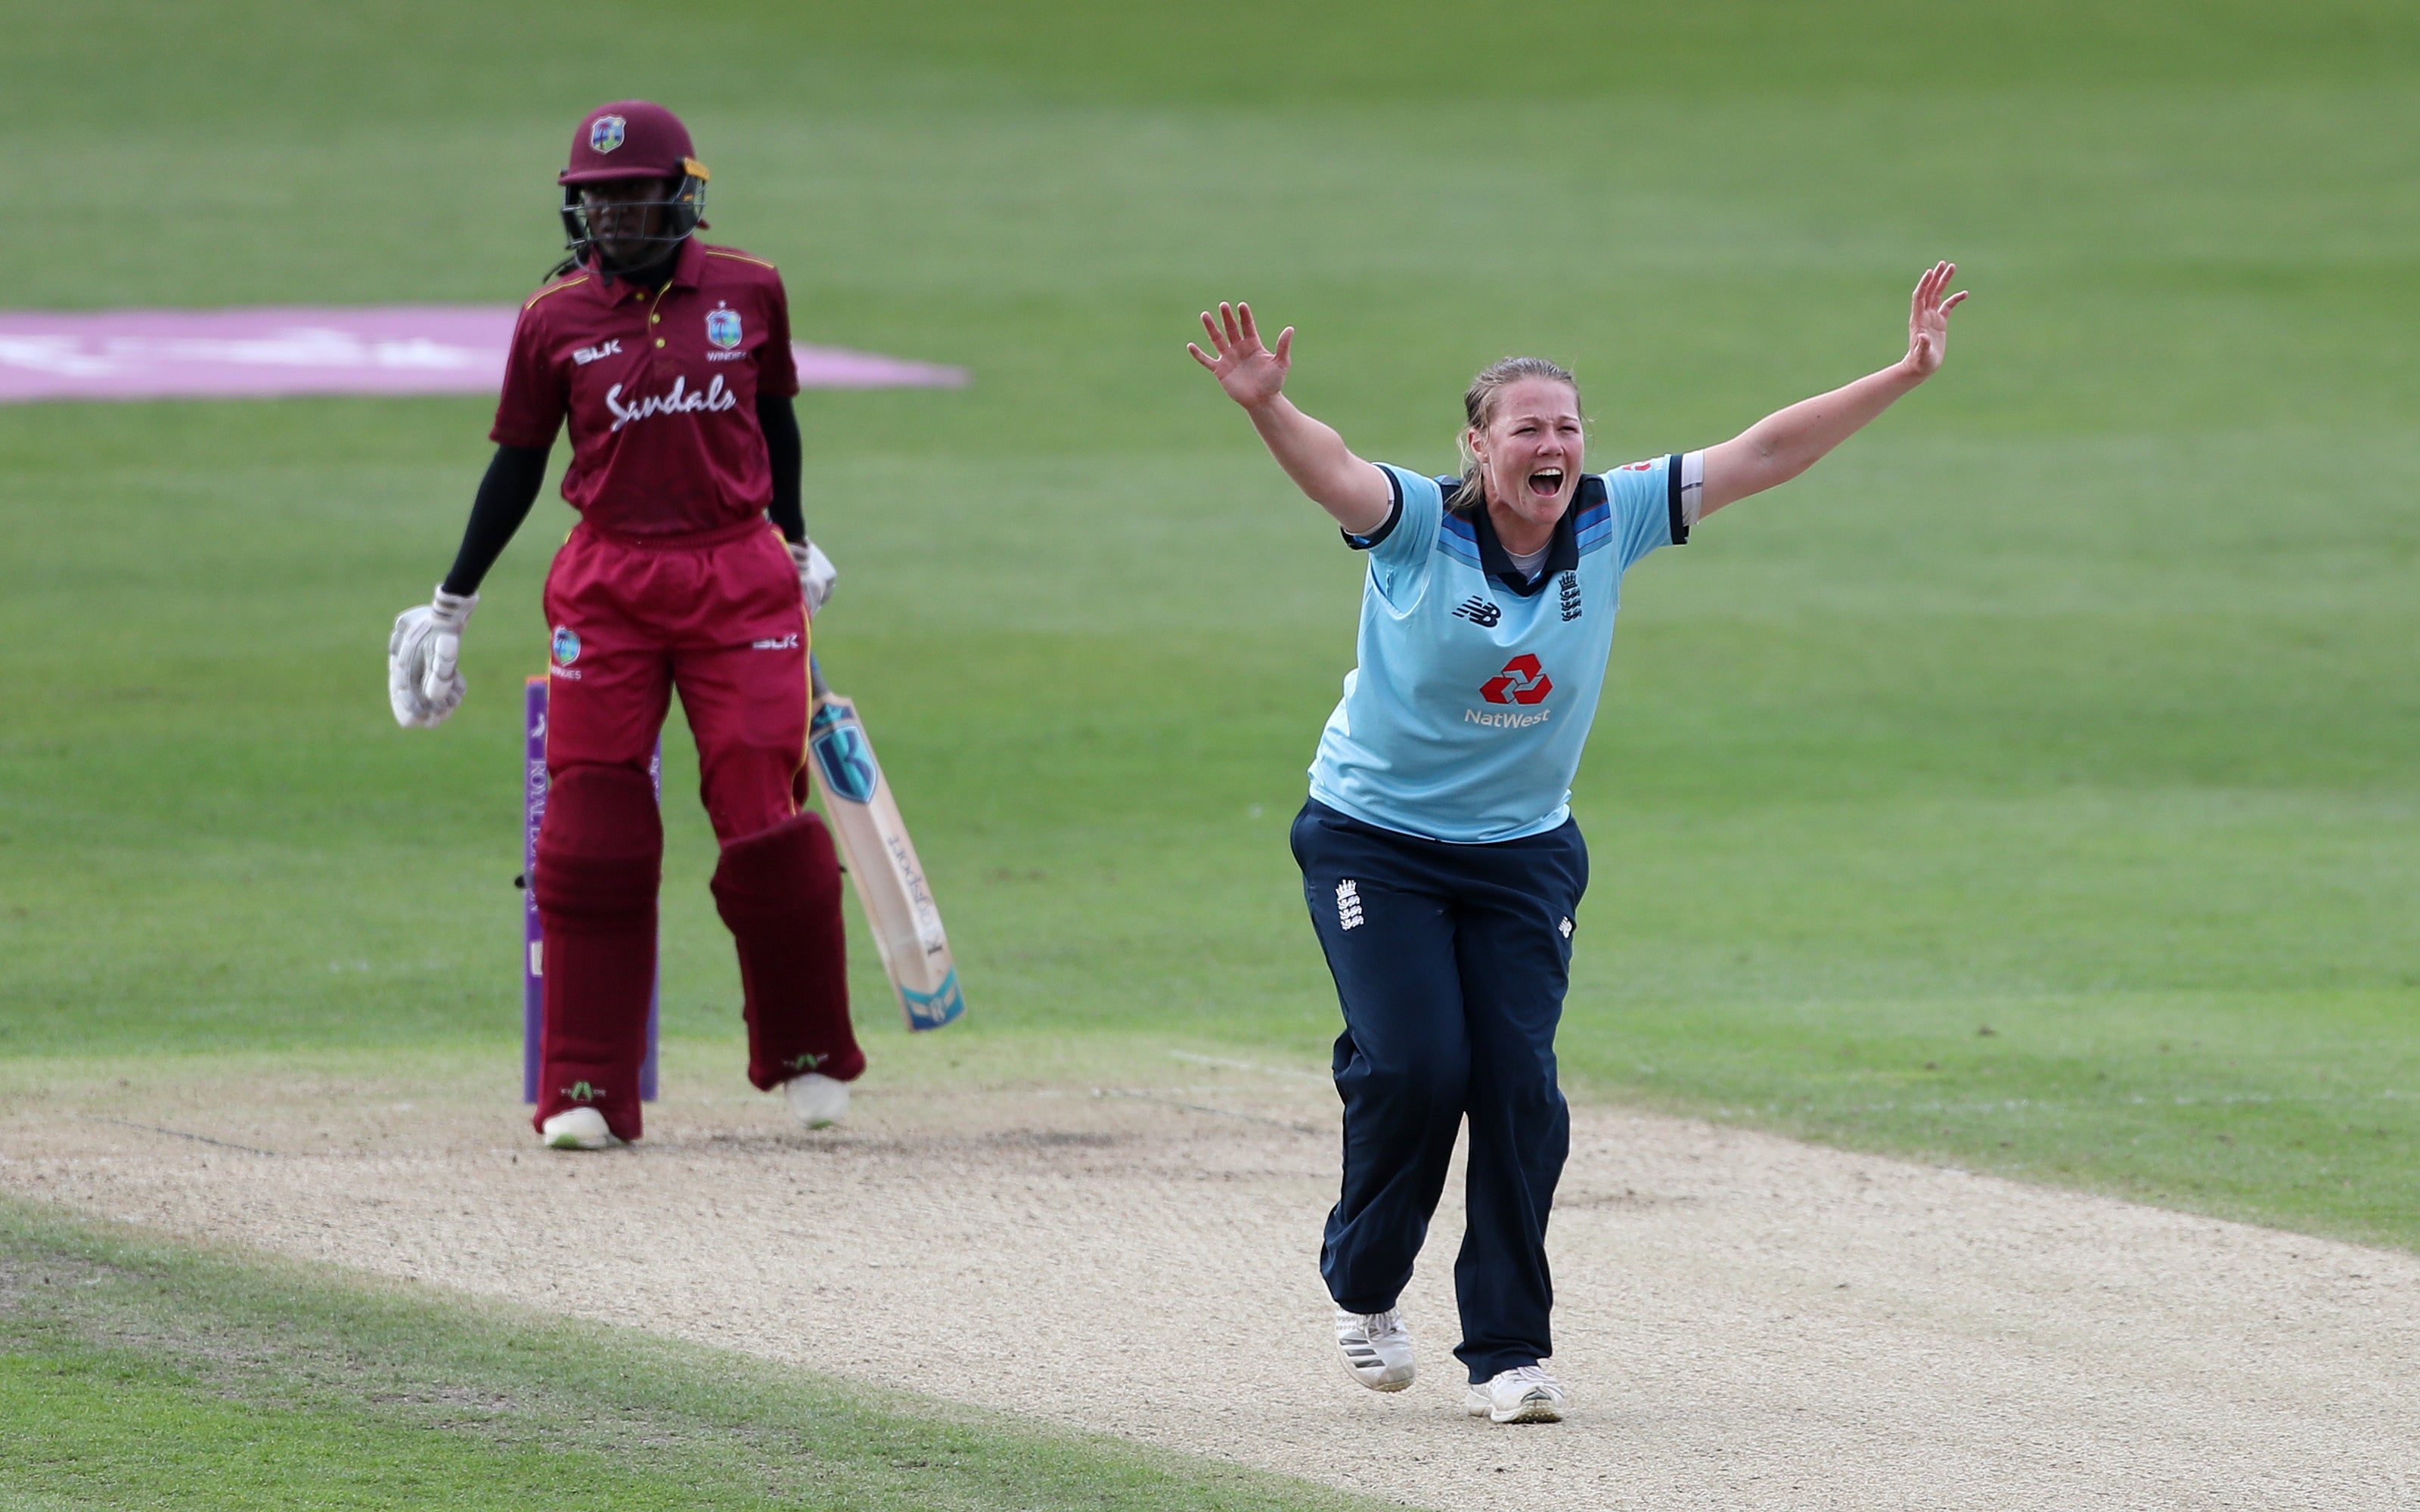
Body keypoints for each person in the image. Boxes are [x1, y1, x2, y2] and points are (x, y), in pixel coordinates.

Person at [1188, 264, 1968, 1423]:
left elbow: (1764, 452)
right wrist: (1266, 405)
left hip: (1520, 853)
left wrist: (1903, 374)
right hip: (1376, 840)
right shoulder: (1417, 526)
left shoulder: (1613, 512)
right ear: (1479, 446)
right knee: (1415, 1068)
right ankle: (1364, 1283)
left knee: (1518, 1092)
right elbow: (1336, 472)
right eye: (1527, 428)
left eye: (1567, 425)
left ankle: (1507, 1355)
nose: (1552, 444)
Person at [388, 100, 863, 1151]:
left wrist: (794, 537)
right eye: (595, 201)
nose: (613, 217)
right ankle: (586, 1088)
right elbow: (516, 461)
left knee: (759, 801)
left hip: (738, 572)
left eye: (632, 196)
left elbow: (775, 419)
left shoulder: (749, 289)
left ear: (679, 195)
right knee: (590, 825)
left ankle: (807, 1054)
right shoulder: (552, 318)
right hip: (606, 578)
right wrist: (451, 601)